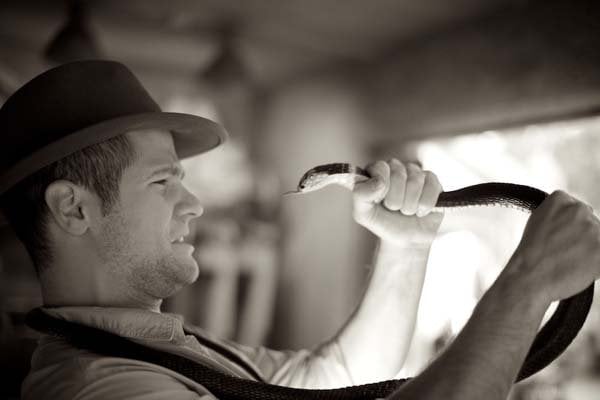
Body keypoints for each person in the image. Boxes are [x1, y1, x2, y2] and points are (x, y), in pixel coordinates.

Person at [0, 60, 598, 400]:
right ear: (74, 210)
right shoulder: (104, 392)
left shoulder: (169, 350)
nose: (194, 205)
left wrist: (404, 247)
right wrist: (525, 287)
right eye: (162, 183)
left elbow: (336, 379)